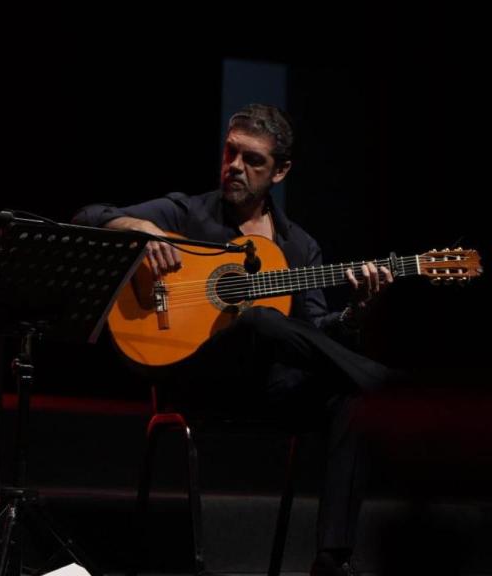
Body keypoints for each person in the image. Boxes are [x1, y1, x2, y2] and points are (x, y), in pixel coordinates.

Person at [72, 104, 392, 576]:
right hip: (197, 379)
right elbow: (87, 216)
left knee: (348, 396)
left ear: (280, 171)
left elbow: (314, 330)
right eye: (231, 152)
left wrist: (354, 313)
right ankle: (389, 383)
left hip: (266, 389)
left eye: (253, 160)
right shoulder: (187, 213)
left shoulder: (298, 247)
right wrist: (141, 229)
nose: (235, 167)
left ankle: (332, 557)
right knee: (257, 320)